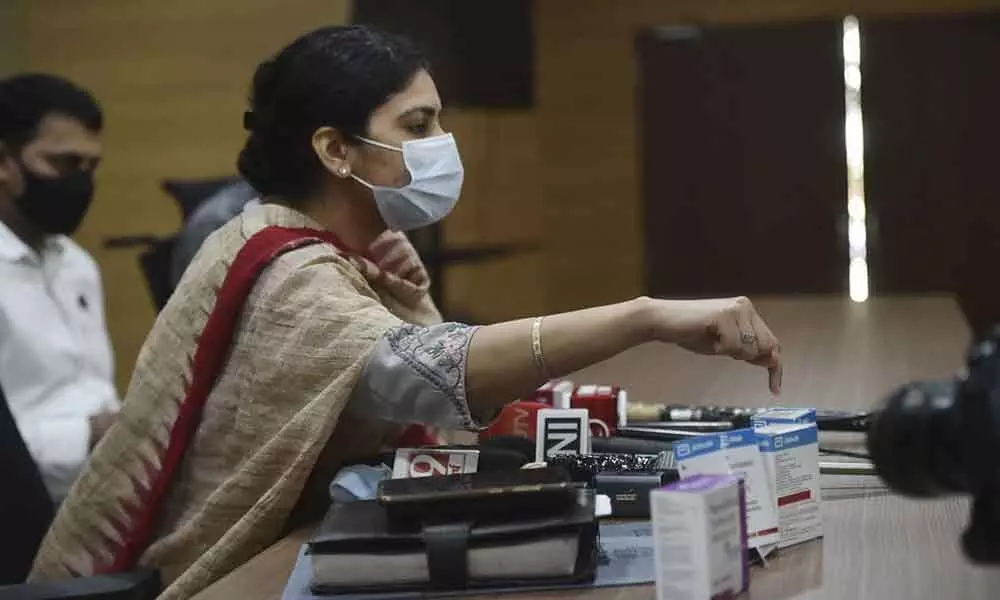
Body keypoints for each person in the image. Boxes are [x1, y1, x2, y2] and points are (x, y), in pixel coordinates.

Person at [30, 25, 782, 598]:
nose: (442, 145)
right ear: (336, 150)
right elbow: (436, 378)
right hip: (216, 576)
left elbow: (441, 413)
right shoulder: (287, 269)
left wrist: (412, 298)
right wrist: (646, 316)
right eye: (417, 127)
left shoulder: (332, 254)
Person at [0, 74, 120, 503]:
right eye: (65, 165)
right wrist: (90, 434)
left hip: (97, 500)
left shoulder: (76, 263)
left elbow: (91, 389)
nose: (82, 183)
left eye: (91, 167)